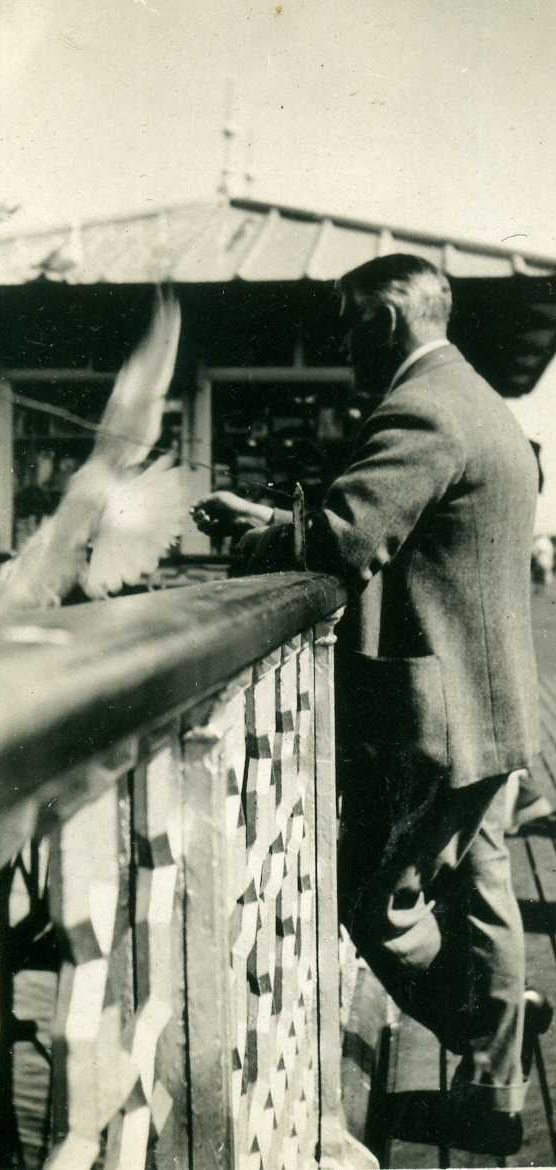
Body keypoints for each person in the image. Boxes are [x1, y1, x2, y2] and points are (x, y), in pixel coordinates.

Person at [193, 254, 552, 1155]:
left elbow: (348, 542)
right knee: (480, 894)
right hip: (498, 703)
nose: (343, 342)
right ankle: (499, 1090)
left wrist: (256, 530)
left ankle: (481, 1035)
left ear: (387, 324)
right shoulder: (480, 402)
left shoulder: (422, 405)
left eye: (351, 323)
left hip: (442, 717)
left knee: (377, 907)